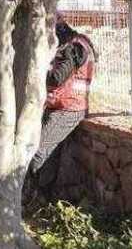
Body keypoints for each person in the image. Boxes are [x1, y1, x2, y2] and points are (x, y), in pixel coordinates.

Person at [27, 15, 96, 198]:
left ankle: (27, 197)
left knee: (36, 153)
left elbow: (58, 77)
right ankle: (43, 197)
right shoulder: (70, 44)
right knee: (46, 155)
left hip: (69, 109)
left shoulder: (75, 47)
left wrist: (36, 73)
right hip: (58, 106)